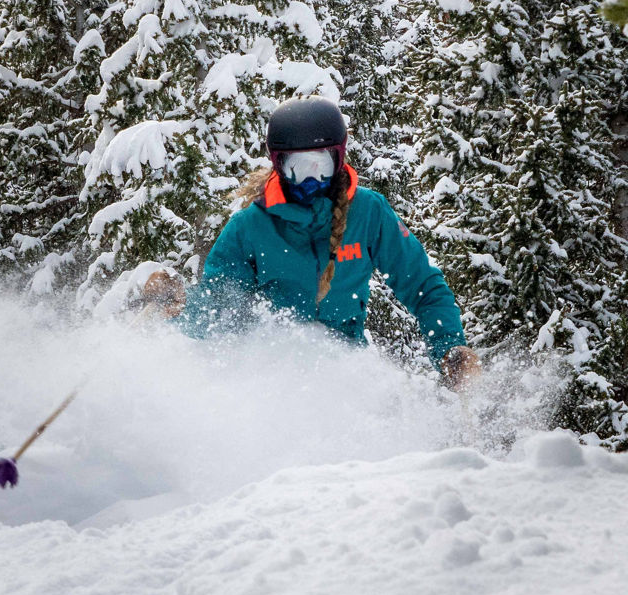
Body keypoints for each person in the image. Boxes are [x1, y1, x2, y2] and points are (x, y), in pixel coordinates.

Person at [147, 97, 482, 389]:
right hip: (273, 371)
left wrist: (450, 348)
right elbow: (220, 304)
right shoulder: (250, 228)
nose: (311, 180)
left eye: (320, 165)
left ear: (338, 158)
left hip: (345, 370)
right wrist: (175, 309)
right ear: (278, 164)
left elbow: (422, 284)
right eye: (297, 167)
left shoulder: (368, 213)